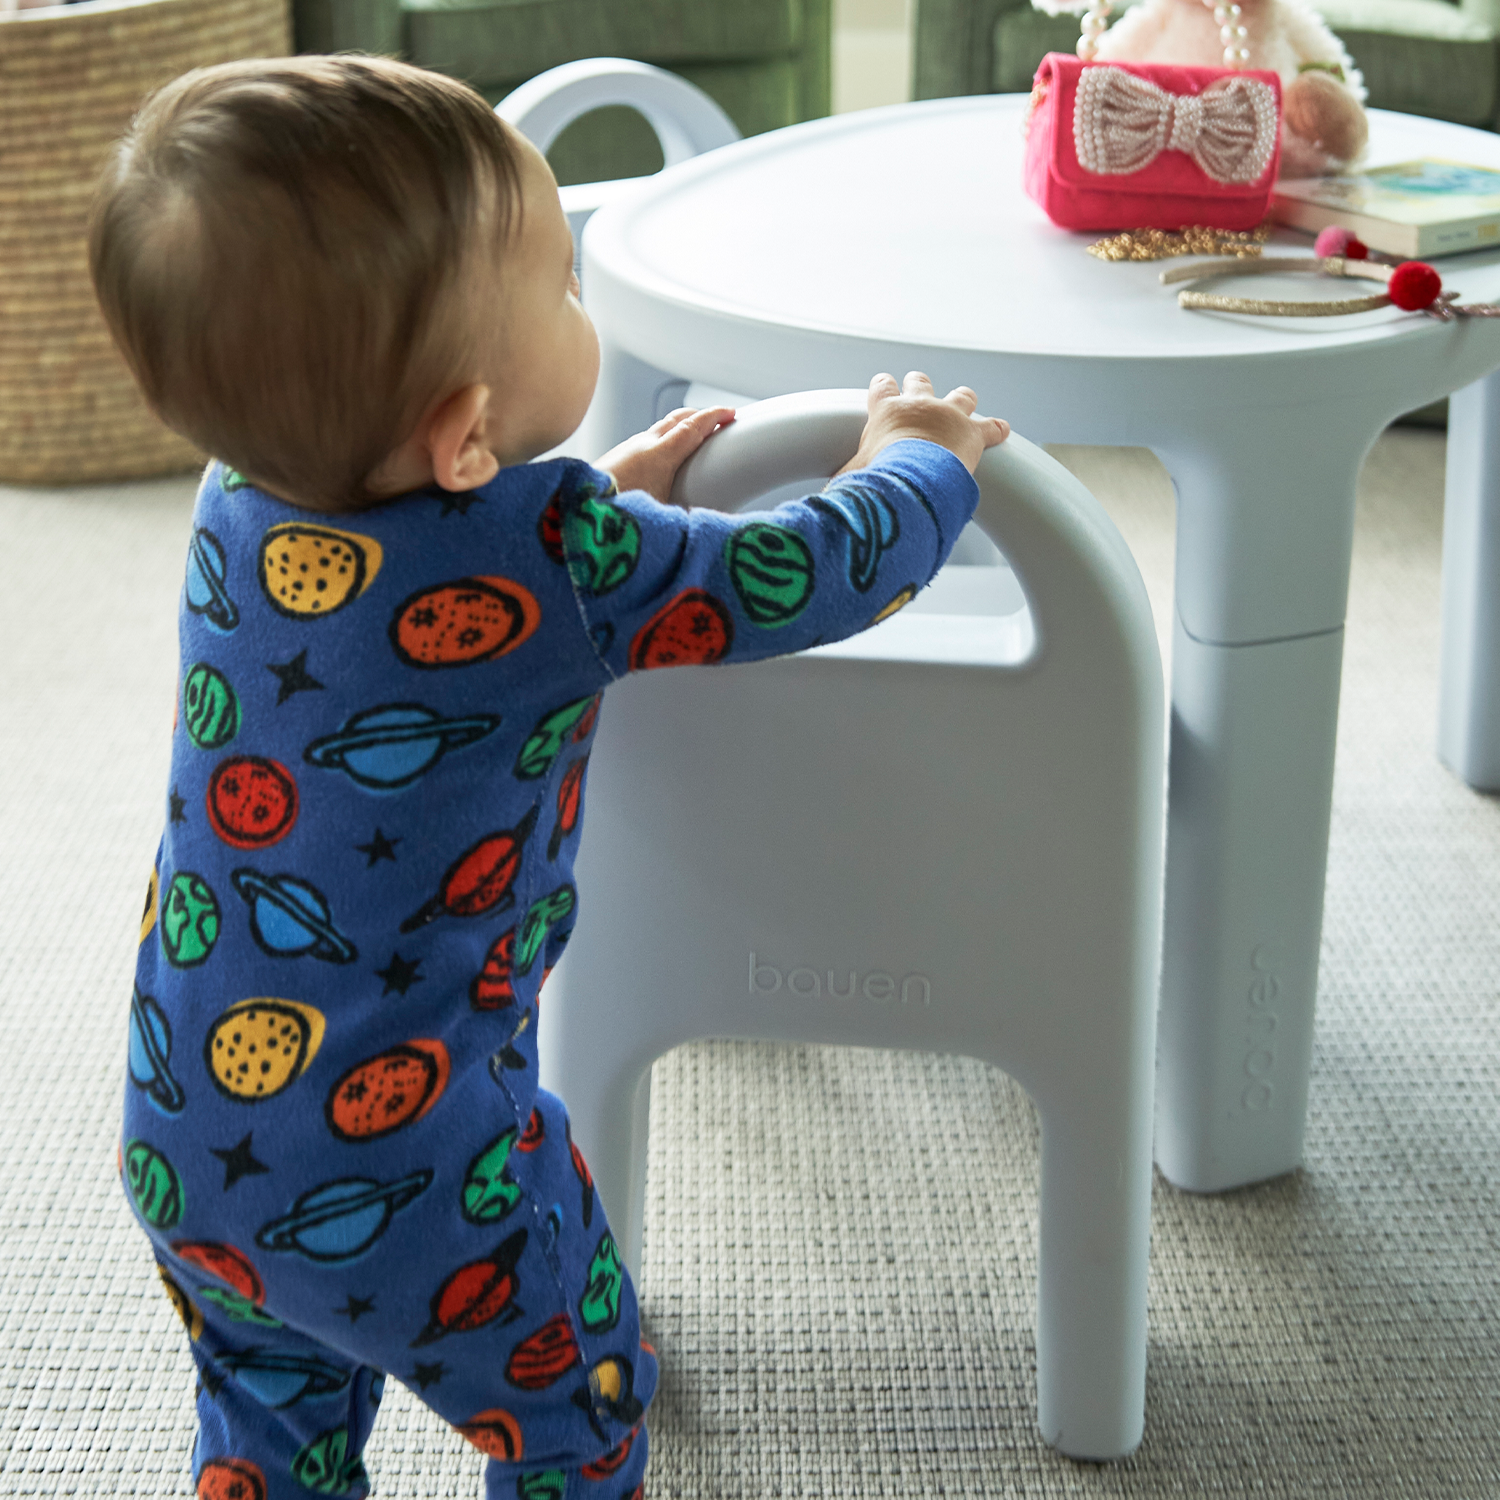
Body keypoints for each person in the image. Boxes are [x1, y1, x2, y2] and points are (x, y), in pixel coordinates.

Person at [91, 53, 1008, 1500]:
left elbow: (432, 581)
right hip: (420, 1178)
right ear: (464, 434)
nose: (579, 301)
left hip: (184, 1142)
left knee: (273, 1418)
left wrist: (601, 495)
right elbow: (804, 574)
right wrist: (920, 462)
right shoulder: (561, 559)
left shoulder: (237, 501)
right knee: (577, 1408)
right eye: (564, 288)